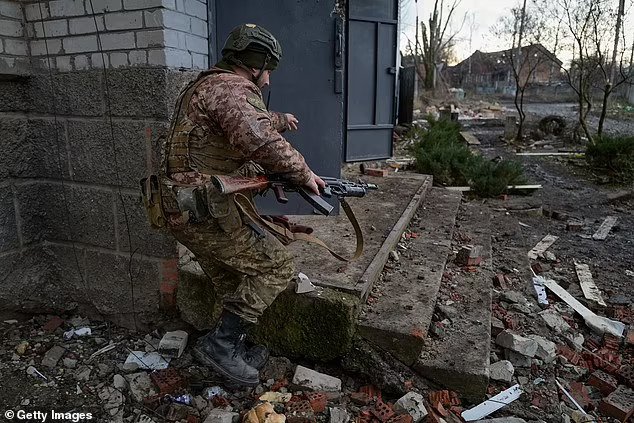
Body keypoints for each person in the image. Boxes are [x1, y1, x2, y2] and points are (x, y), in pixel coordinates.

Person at [158, 23, 325, 387]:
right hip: (202, 212)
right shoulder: (232, 88)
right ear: (255, 64)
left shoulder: (206, 86)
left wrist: (280, 121)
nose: (266, 82)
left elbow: (238, 128)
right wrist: (304, 173)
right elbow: (260, 138)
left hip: (185, 208)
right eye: (268, 72)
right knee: (276, 267)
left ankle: (230, 344)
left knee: (232, 276)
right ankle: (220, 346)